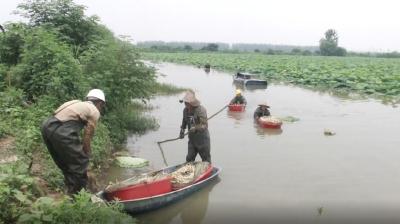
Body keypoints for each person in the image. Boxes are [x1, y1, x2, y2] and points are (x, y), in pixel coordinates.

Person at [41, 89, 106, 195]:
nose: (101, 108)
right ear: (100, 103)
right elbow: (87, 136)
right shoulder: (94, 111)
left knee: (65, 164)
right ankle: (78, 198)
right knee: (81, 164)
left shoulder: (76, 102)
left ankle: (69, 190)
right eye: (102, 106)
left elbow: (60, 117)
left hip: (46, 126)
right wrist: (87, 155)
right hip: (62, 131)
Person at [179, 90, 211, 163]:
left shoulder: (201, 110)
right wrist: (182, 131)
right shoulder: (185, 110)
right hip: (192, 139)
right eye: (185, 103)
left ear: (192, 103)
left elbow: (204, 125)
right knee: (189, 158)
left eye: (187, 103)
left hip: (203, 139)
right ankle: (189, 172)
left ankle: (208, 172)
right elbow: (184, 121)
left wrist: (195, 128)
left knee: (206, 160)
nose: (185, 104)